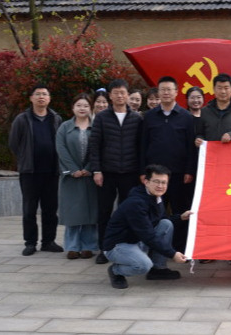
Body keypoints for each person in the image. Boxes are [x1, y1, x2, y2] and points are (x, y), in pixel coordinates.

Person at [103, 164, 190, 289]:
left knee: (166, 224)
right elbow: (148, 235)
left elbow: (158, 221)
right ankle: (116, 271)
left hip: (137, 240)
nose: (160, 186)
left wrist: (180, 217)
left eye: (164, 182)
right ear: (146, 181)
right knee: (143, 265)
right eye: (156, 182)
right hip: (118, 245)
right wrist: (173, 254)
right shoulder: (136, 203)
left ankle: (158, 269)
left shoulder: (156, 197)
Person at [89, 79, 143, 265]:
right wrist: (96, 170)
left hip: (130, 173)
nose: (120, 96)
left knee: (127, 211)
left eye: (123, 92)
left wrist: (141, 172)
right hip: (107, 172)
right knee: (104, 212)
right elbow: (94, 146)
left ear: (128, 95)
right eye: (116, 92)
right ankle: (105, 249)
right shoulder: (102, 118)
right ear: (110, 96)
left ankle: (125, 247)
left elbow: (140, 147)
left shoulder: (136, 118)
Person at [140, 76, 196, 252]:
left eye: (169, 89)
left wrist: (189, 171)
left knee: (180, 211)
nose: (165, 93)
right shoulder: (149, 116)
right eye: (162, 89)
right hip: (154, 175)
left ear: (176, 92)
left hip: (179, 174)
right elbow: (142, 145)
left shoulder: (186, 117)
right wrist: (143, 171)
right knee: (155, 211)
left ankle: (179, 247)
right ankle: (156, 247)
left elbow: (190, 147)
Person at [8, 84, 64, 256]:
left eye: (45, 94)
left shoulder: (56, 118)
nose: (41, 97)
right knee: (29, 209)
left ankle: (48, 241)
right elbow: (14, 143)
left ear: (49, 98)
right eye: (38, 94)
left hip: (51, 172)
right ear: (31, 98)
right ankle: (30, 243)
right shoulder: (22, 119)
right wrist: (24, 158)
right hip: (30, 172)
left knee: (50, 209)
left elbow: (61, 142)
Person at [56, 93, 98, 260]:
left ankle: (89, 246)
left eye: (86, 106)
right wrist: (73, 169)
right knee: (72, 212)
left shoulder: (96, 126)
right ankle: (72, 246)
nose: (82, 108)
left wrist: (88, 168)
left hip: (90, 176)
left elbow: (99, 149)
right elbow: (61, 149)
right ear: (73, 108)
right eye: (79, 105)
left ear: (91, 108)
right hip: (70, 177)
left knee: (90, 212)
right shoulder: (64, 127)